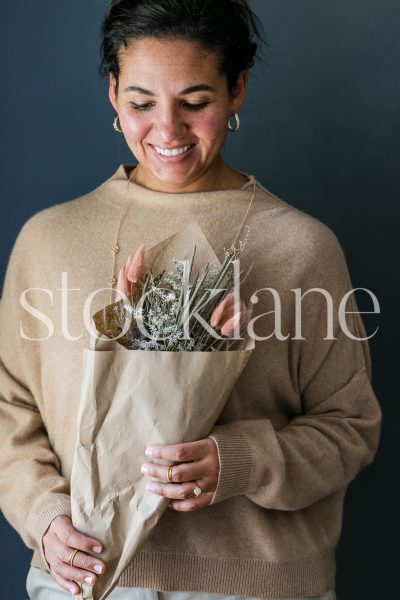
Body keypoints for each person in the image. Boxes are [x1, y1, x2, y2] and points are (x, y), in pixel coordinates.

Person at [0, 1, 381, 599]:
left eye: (196, 103)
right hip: (84, 581)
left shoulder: (303, 248)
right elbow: (8, 409)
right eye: (141, 103)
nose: (168, 131)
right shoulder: (48, 241)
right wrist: (43, 518)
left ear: (238, 91)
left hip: (258, 586)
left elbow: (351, 427)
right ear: (112, 94)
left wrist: (241, 462)